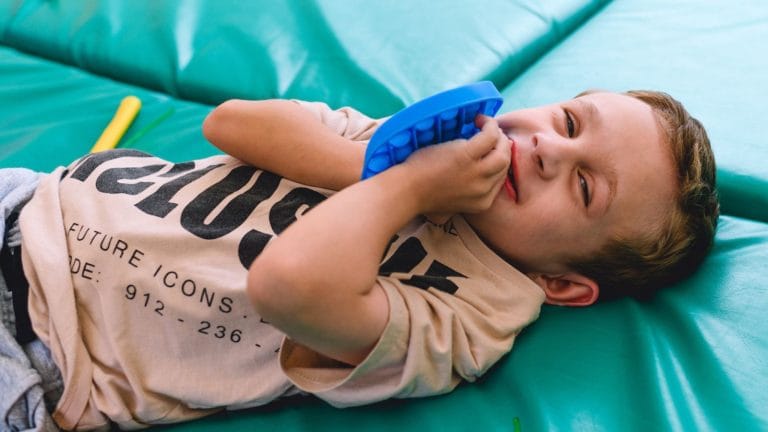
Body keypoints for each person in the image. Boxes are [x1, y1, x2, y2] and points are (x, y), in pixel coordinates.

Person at [0, 89, 718, 430]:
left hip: (43, 351)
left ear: (561, 282)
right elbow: (231, 124)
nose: (546, 149)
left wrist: (408, 189)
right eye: (566, 122)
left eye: (584, 186)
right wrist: (371, 163)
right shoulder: (399, 144)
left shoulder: (474, 314)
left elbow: (288, 287)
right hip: (28, 204)